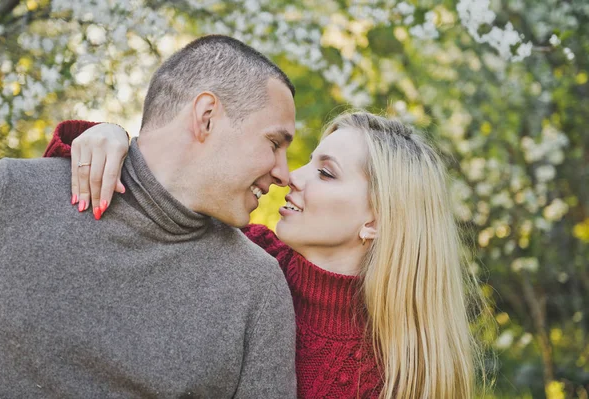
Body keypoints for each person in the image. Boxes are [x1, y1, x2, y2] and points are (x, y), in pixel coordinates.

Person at [47, 111, 487, 398]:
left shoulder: (400, 372)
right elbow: (108, 216)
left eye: (326, 173)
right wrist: (105, 141)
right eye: (308, 161)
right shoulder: (242, 248)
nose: (291, 176)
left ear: (376, 220)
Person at [0, 35, 299, 398]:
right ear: (207, 117)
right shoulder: (8, 192)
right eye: (275, 144)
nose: (284, 173)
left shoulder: (258, 287)